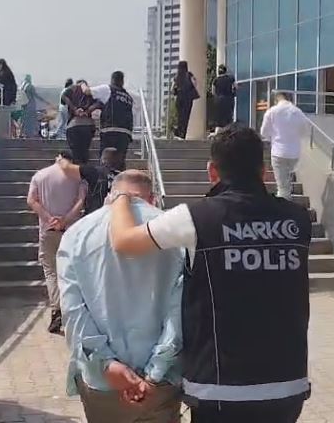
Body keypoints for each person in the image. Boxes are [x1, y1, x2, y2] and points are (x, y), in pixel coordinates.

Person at [108, 124, 312, 423]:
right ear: (264, 171)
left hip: (220, 388)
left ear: (212, 171)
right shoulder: (298, 220)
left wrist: (121, 198)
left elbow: (124, 242)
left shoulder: (196, 217)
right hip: (286, 386)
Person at [57, 170, 185, 423]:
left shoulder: (76, 234)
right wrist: (154, 373)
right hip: (161, 383)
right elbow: (179, 312)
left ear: (110, 195)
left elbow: (73, 311)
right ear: (153, 198)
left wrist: (106, 364)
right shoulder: (174, 231)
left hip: (102, 382)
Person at [27, 151, 86, 333]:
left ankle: (56, 309)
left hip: (48, 230)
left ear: (57, 158)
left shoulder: (40, 175)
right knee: (72, 271)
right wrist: (65, 220)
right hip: (71, 231)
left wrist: (49, 219)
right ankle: (75, 312)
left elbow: (31, 200)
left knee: (51, 272)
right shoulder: (78, 177)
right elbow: (81, 201)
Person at [260, 92, 309, 200]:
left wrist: (272, 137)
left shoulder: (272, 111)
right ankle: (288, 200)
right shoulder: (298, 112)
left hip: (278, 151)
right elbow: (304, 131)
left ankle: (284, 204)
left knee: (282, 187)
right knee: (287, 182)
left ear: (276, 100)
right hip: (294, 153)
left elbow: (264, 132)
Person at [84, 71, 134, 171]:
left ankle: (105, 178)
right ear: (122, 81)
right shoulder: (128, 97)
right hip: (125, 133)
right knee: (119, 162)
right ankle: (119, 178)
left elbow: (87, 91)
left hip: (110, 130)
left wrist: (82, 85)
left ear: (112, 80)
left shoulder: (108, 89)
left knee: (106, 160)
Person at [57, 147, 121, 215]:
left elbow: (66, 167)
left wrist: (60, 159)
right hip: (115, 215)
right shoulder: (122, 176)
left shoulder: (93, 171)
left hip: (96, 214)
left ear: (102, 159)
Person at [62, 80, 98, 164]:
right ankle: (84, 168)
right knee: (84, 152)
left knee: (75, 154)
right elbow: (99, 102)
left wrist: (74, 109)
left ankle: (77, 168)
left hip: (73, 125)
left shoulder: (73, 88)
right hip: (88, 125)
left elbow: (64, 96)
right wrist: (88, 111)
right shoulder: (90, 91)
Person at [173, 61, 200, 140]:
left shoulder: (176, 76)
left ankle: (178, 131)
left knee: (180, 116)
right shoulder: (189, 74)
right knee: (185, 116)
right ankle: (182, 133)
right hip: (187, 97)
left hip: (179, 98)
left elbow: (173, 88)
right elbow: (194, 83)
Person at [19, 74, 50, 139]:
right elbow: (36, 95)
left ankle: (21, 133)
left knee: (24, 120)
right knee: (32, 119)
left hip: (24, 105)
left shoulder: (22, 86)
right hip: (30, 105)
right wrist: (45, 101)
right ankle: (31, 134)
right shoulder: (30, 86)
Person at [212, 64, 237, 134]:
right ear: (225, 71)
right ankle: (228, 131)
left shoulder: (215, 80)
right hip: (228, 99)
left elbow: (213, 91)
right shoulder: (231, 78)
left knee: (219, 118)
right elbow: (235, 87)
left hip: (219, 100)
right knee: (228, 117)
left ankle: (218, 132)